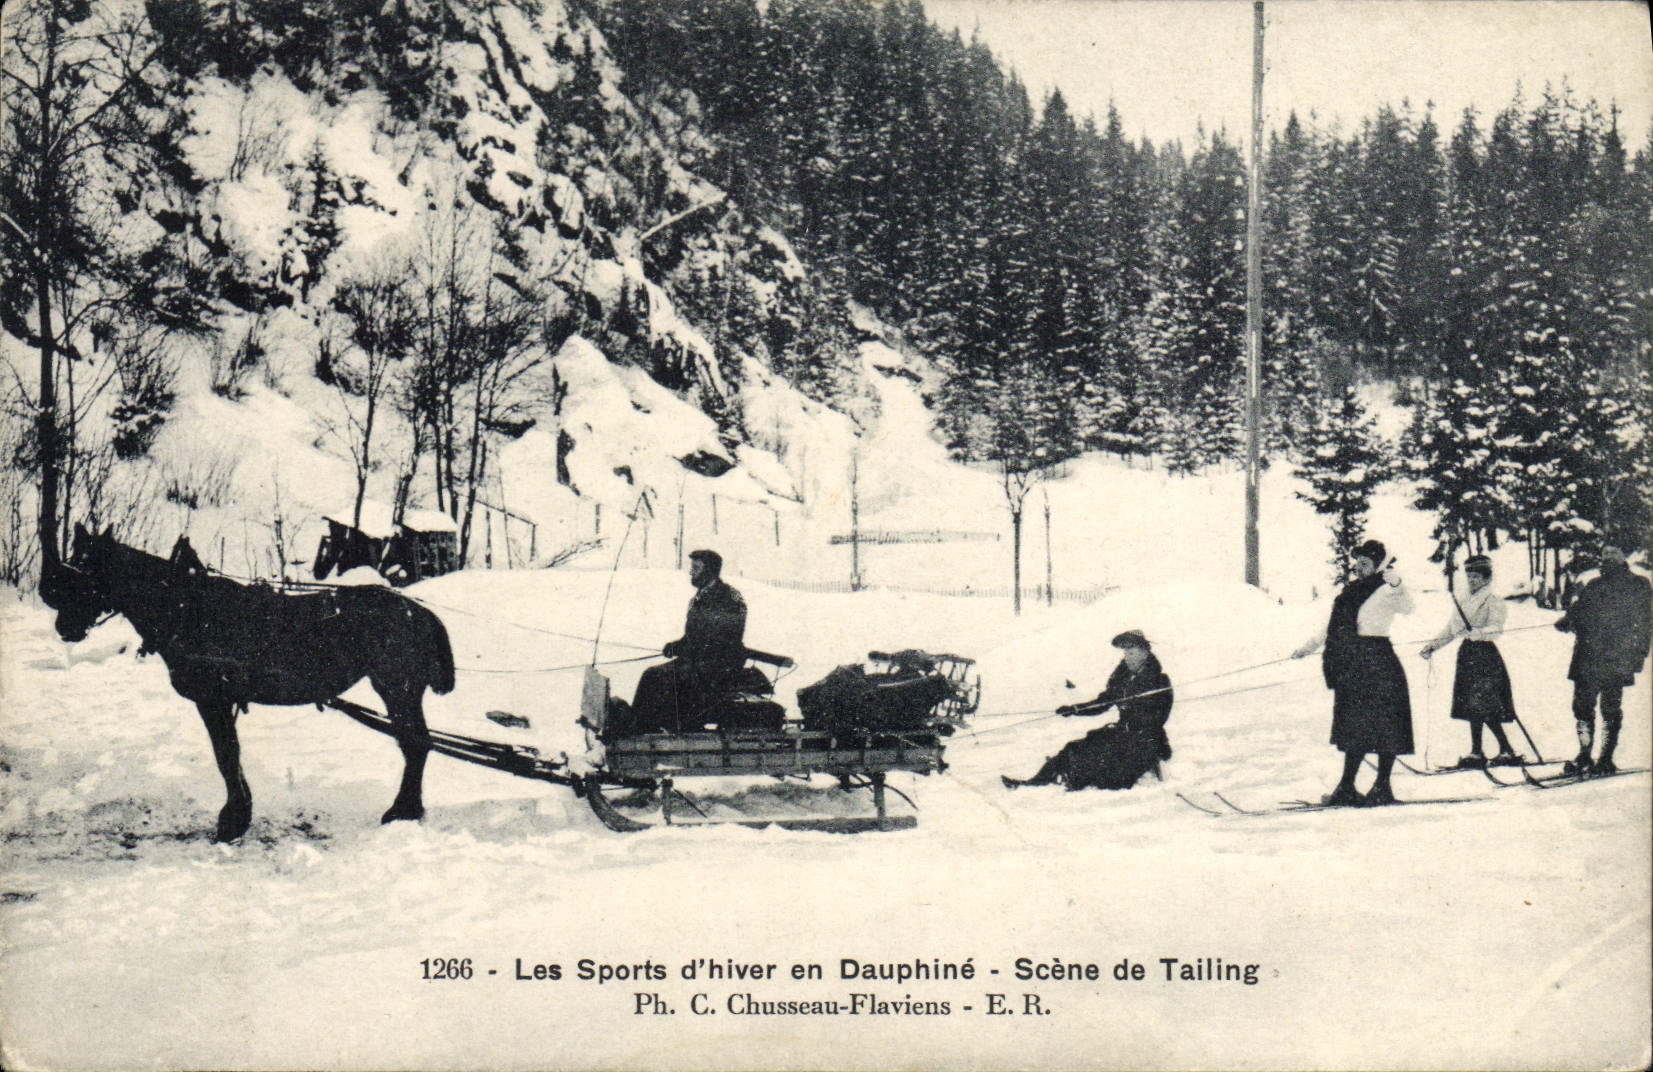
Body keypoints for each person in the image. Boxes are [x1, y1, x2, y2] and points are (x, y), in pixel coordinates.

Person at [1292, 539, 1415, 806]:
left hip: (1379, 662)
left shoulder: (1385, 589)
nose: (1359, 568)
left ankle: (1382, 785)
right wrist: (1307, 647)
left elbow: (1407, 608)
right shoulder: (1350, 592)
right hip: (1353, 665)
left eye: (1366, 563)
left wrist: (1397, 585)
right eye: (1357, 563)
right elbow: (1332, 627)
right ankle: (1346, 787)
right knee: (1355, 728)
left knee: (1386, 726)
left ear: (1378, 565)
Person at [1001, 630, 1173, 792]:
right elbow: (1103, 703)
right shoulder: (1123, 678)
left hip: (1146, 740)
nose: (1128, 658)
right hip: (1122, 733)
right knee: (1074, 748)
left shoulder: (1159, 681)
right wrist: (1075, 709)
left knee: (1112, 773)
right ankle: (1035, 783)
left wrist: (1136, 708)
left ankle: (1073, 778)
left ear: (1145, 653)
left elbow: (1159, 718)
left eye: (1132, 653)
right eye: (1126, 653)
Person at [619, 549, 748, 735]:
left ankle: (643, 730)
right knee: (653, 676)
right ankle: (644, 727)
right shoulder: (700, 597)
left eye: (696, 568)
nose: (691, 572)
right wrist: (678, 645)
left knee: (656, 677)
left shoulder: (728, 598)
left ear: (709, 570)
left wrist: (686, 648)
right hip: (698, 662)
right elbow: (695, 635)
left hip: (717, 666)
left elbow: (723, 638)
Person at [1554, 546, 1652, 776]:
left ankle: (1606, 758)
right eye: (1605, 555)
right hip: (1587, 656)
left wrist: (1639, 654)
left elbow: (1646, 622)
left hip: (1616, 656)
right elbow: (1578, 613)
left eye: (1613, 554)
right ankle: (1584, 754)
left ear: (1622, 558)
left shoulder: (1638, 585)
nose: (1607, 558)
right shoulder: (1594, 585)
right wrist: (1567, 621)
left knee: (1610, 707)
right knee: (1581, 706)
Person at [1419, 555, 1522, 768]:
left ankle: (1506, 749)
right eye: (1470, 577)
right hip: (1467, 655)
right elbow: (1451, 629)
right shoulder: (1463, 600)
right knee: (1472, 706)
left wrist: (1478, 633)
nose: (1472, 581)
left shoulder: (1494, 601)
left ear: (1486, 579)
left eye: (1476, 577)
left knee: (1486, 705)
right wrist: (1433, 646)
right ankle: (1478, 752)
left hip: (1485, 656)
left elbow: (1496, 629)